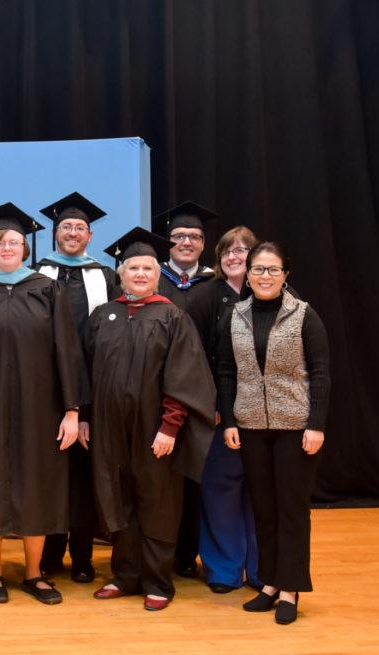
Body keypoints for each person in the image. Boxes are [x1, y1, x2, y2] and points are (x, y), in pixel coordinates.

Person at [0, 202, 85, 605]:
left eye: (15, 242)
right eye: (1, 242)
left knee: (36, 486)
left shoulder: (47, 289)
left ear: (25, 249)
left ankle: (33, 573)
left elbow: (67, 350)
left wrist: (71, 410)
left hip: (39, 408)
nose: (8, 247)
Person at [87, 227, 216, 612]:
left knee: (157, 502)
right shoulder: (102, 316)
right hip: (110, 428)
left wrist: (170, 426)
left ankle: (158, 581)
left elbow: (185, 374)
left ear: (156, 275)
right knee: (118, 497)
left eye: (147, 268)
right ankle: (125, 575)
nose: (140, 274)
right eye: (133, 268)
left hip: (154, 428)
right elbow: (86, 371)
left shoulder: (171, 316)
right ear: (121, 274)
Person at [218, 242, 329, 625]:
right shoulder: (234, 315)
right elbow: (227, 372)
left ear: (286, 275)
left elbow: (321, 373)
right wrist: (230, 421)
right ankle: (269, 584)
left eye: (273, 269)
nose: (265, 276)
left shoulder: (303, 315)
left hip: (295, 426)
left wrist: (316, 424)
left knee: (291, 510)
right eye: (258, 269)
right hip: (249, 426)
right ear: (247, 274)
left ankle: (290, 589)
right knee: (263, 509)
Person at [35, 191, 120, 583]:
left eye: (79, 228)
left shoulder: (104, 276)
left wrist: (85, 406)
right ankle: (50, 555)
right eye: (65, 227)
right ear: (55, 234)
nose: (72, 233)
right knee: (50, 474)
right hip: (47, 393)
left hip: (92, 391)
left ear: (90, 236)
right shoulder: (38, 274)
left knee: (85, 477)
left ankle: (83, 556)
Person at [186, 226, 262, 593]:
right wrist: (209, 405)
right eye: (227, 252)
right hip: (218, 412)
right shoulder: (204, 296)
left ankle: (262, 567)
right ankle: (224, 569)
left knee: (261, 490)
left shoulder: (275, 294)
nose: (234, 257)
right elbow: (192, 356)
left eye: (242, 251)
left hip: (265, 412)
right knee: (220, 489)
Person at [153, 200, 217, 579]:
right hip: (156, 393)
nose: (186, 242)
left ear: (203, 243)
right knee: (162, 475)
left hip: (200, 394)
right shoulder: (152, 277)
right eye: (179, 236)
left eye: (193, 236)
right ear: (168, 241)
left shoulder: (214, 284)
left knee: (194, 476)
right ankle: (161, 550)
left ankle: (187, 554)